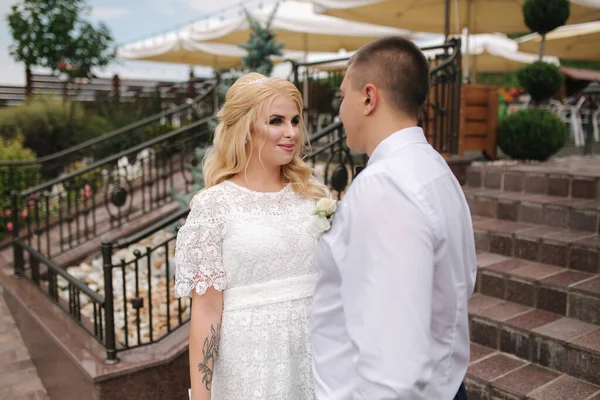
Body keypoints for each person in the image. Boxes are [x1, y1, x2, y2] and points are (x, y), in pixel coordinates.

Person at [311, 36, 477, 400]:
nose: (339, 113)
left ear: (369, 98)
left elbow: (392, 368)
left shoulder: (385, 188)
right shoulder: (435, 169)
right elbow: (464, 279)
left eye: (342, 97)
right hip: (445, 384)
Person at [174, 72, 327, 400]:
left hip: (320, 357)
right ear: (245, 129)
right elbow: (206, 310)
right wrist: (201, 397)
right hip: (251, 369)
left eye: (295, 120)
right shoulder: (214, 206)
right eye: (276, 121)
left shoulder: (314, 197)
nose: (291, 133)